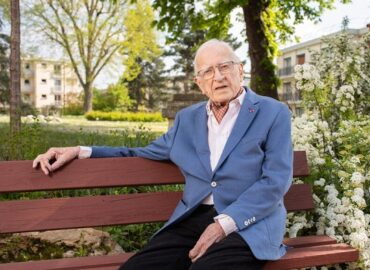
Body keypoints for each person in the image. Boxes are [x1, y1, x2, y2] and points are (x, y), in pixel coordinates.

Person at [33, 39, 293, 270]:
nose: (218, 77)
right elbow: (137, 153)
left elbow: (276, 181)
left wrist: (223, 224)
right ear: (199, 83)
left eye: (225, 67)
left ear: (240, 69)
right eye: (208, 71)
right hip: (192, 220)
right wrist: (79, 150)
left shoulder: (273, 113)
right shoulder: (187, 120)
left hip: (249, 223)